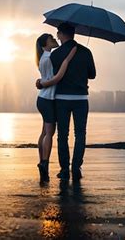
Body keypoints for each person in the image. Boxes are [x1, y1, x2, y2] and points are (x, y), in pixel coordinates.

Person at [37, 22, 96, 181]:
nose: (56, 36)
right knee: (80, 134)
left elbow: (52, 76)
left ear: (62, 34)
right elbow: (92, 75)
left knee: (62, 135)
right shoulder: (86, 51)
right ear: (74, 33)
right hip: (81, 100)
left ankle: (64, 170)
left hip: (61, 99)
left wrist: (40, 83)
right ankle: (76, 168)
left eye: (58, 33)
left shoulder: (55, 55)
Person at [35, 33, 77, 183]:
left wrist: (40, 82)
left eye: (54, 37)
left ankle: (42, 162)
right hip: (48, 100)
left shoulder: (43, 58)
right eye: (51, 39)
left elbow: (46, 79)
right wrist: (69, 57)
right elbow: (57, 78)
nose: (54, 40)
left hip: (43, 99)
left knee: (44, 132)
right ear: (44, 44)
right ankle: (44, 163)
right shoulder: (49, 59)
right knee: (50, 133)